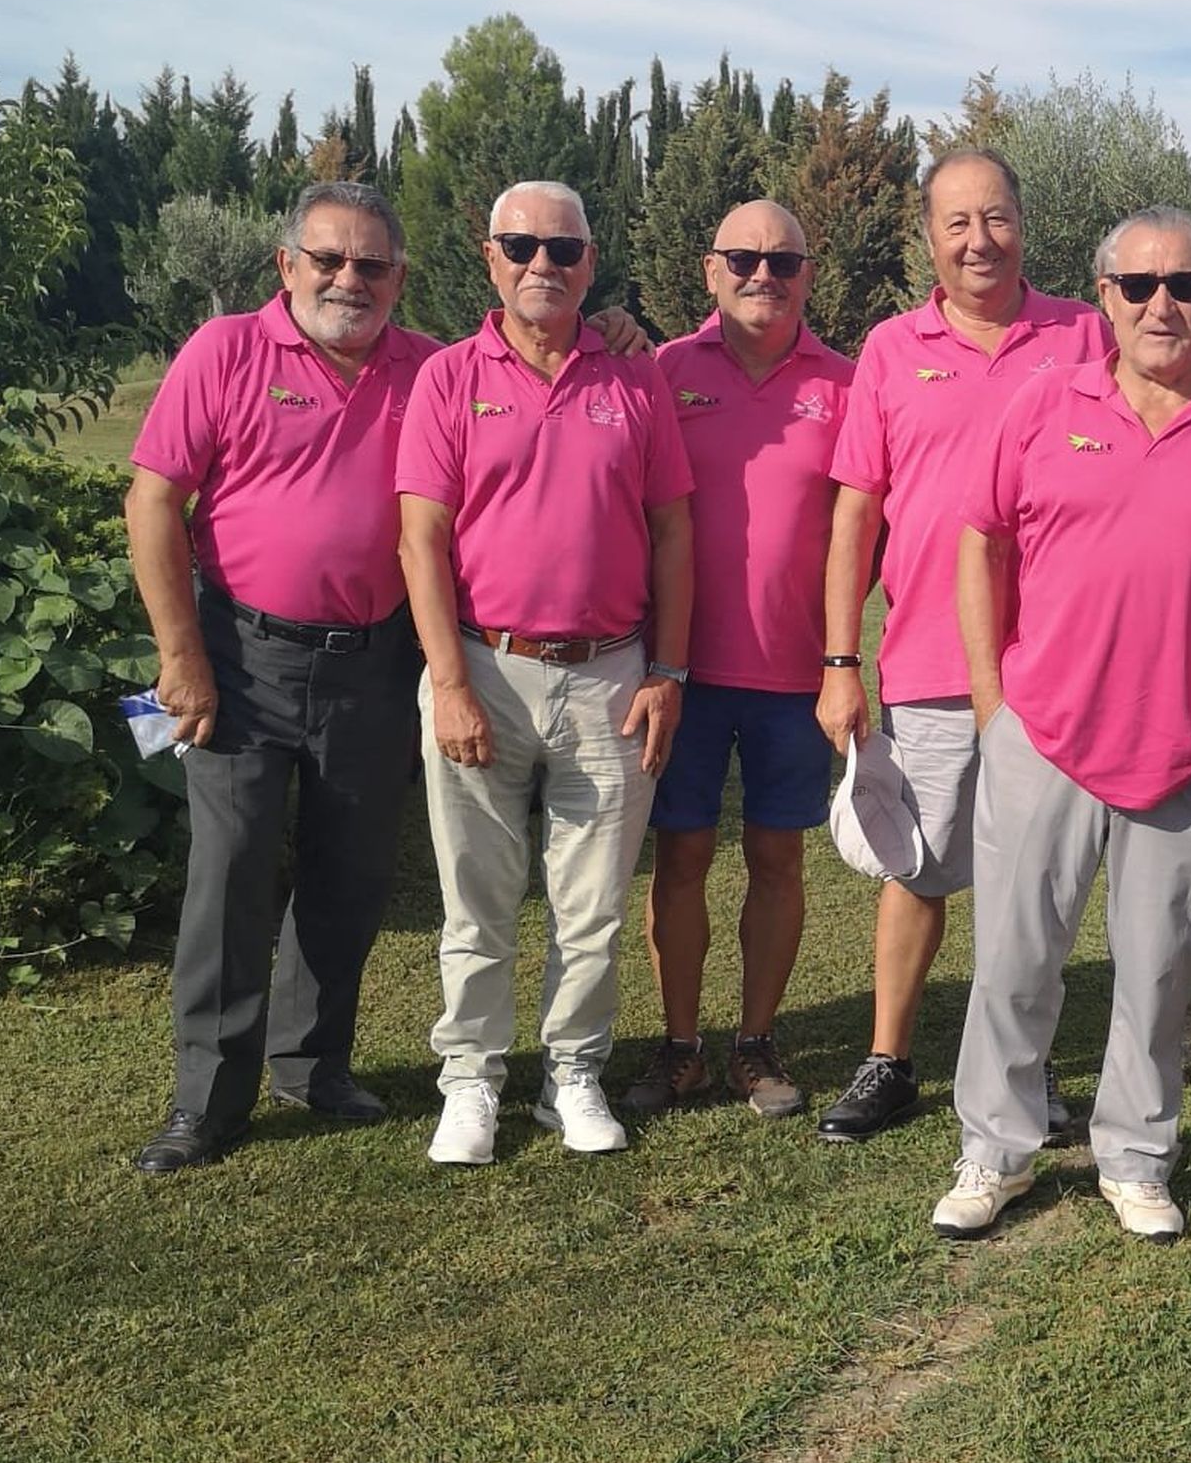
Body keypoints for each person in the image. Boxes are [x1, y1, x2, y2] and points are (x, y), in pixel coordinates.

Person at [933, 205, 1191, 1244]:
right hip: (1045, 735)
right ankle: (996, 1149)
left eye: (1184, 284)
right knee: (1014, 961)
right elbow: (980, 543)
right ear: (1104, 295)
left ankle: (1137, 1155)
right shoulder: (1040, 401)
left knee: (1158, 972)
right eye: (1139, 284)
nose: (1162, 304)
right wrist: (992, 706)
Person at [124, 182, 438, 1172]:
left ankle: (314, 1064)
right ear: (287, 264)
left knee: (351, 874)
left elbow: (526, 373)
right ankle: (208, 1100)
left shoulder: (428, 367)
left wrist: (615, 331)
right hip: (240, 656)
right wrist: (181, 656)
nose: (350, 280)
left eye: (371, 264)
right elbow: (153, 503)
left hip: (376, 661)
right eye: (330, 259)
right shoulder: (225, 351)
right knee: (230, 877)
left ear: (398, 276)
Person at [813, 149, 1112, 1143]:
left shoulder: (1086, 334)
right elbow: (856, 514)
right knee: (918, 868)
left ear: (1024, 222)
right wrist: (840, 661)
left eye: (995, 218)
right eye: (957, 223)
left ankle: (1027, 1067)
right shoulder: (892, 348)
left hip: (1057, 667)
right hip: (930, 662)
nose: (979, 241)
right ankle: (888, 1060)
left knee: (1036, 885)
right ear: (929, 238)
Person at [396, 180, 695, 1166]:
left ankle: (572, 1074)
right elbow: (421, 538)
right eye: (521, 245)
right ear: (489, 257)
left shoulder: (634, 378)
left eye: (563, 249)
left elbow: (671, 530)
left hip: (610, 676)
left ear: (590, 262)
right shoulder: (449, 377)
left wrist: (669, 669)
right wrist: (448, 683)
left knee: (593, 905)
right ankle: (471, 1079)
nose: (542, 264)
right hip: (485, 664)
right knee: (477, 898)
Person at [622, 200, 854, 1120]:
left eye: (784, 261)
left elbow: (863, 528)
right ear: (710, 270)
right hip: (677, 668)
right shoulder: (663, 370)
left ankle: (756, 1042)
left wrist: (840, 649)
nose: (765, 275)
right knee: (680, 855)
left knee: (777, 857)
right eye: (745, 259)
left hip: (795, 672)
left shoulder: (845, 383)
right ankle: (680, 1045)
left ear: (808, 275)